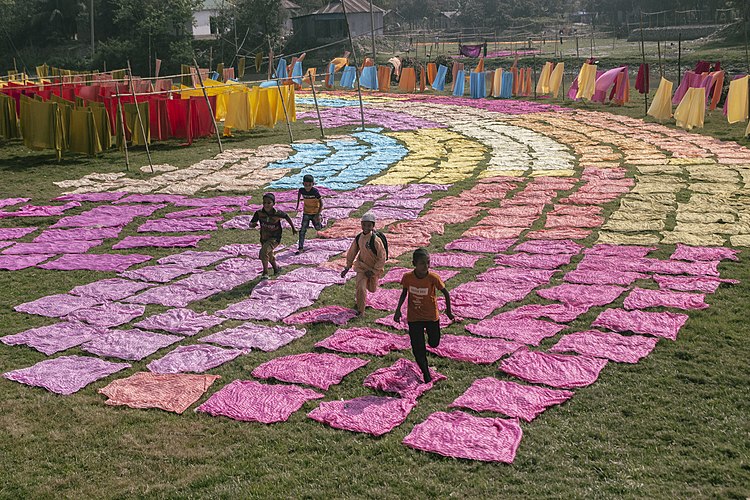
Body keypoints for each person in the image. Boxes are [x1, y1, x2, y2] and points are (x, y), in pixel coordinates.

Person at [394, 248, 454, 383]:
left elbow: (446, 293)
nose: (426, 266)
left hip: (431, 317)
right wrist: (398, 310)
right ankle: (426, 373)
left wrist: (448, 311)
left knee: (433, 343)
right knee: (418, 348)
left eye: (428, 263)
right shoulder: (408, 278)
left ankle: (429, 343)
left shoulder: (433, 278)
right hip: (414, 318)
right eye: (422, 263)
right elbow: (404, 293)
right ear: (414, 263)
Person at [341, 212, 386, 316]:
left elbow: (382, 257)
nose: (366, 227)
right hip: (361, 267)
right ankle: (361, 311)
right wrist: (347, 267)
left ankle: (364, 296)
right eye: (364, 225)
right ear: (361, 225)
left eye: (369, 225)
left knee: (372, 289)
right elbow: (352, 252)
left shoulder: (376, 240)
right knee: (360, 288)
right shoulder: (358, 238)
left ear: (373, 226)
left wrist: (374, 271)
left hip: (373, 269)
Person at [249, 193, 297, 280]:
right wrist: (252, 225)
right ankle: (276, 268)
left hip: (275, 238)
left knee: (263, 253)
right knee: (269, 254)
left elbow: (287, 216)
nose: (266, 205)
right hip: (264, 238)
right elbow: (251, 223)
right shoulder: (259, 213)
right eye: (264, 203)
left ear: (273, 203)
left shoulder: (277, 213)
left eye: (269, 203)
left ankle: (265, 273)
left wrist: (293, 228)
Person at [295, 174, 323, 254]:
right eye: (306, 185)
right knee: (302, 230)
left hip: (315, 213)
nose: (307, 187)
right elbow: (299, 195)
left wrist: (318, 214)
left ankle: (320, 221)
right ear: (303, 184)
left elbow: (321, 203)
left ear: (313, 184)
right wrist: (297, 205)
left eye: (309, 185)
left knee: (318, 228)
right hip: (306, 212)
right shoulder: (302, 190)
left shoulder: (315, 191)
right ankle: (300, 247)